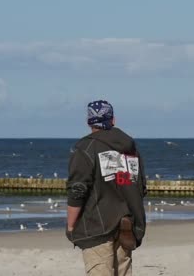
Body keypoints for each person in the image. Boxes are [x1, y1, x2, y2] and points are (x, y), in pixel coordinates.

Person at [66, 100, 147, 276]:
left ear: (89, 122)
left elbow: (77, 189)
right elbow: (141, 187)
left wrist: (71, 225)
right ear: (113, 120)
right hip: (126, 225)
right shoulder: (130, 148)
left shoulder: (85, 148)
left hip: (96, 226)